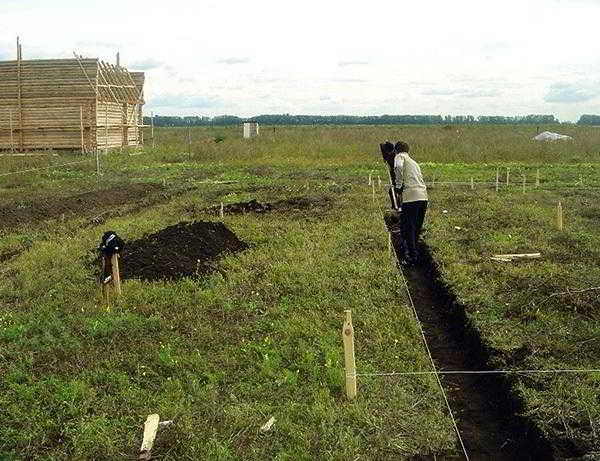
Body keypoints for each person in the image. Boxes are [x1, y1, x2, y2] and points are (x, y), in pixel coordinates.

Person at [392, 141, 428, 266]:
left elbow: (398, 167)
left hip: (411, 198)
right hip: (423, 197)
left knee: (408, 228)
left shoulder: (399, 157)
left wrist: (398, 185)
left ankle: (411, 257)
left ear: (396, 150)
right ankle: (415, 253)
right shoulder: (414, 162)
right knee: (416, 228)